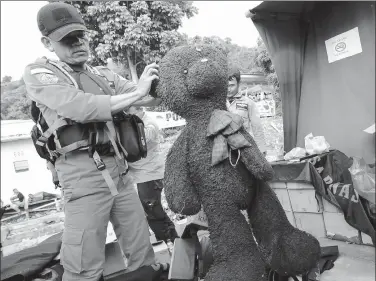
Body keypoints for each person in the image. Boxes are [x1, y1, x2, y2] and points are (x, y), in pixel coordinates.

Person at [23, 3, 163, 280]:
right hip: (82, 178)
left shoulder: (102, 74)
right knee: (84, 263)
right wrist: (137, 93)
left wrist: (156, 80)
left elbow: (147, 96)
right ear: (47, 43)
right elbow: (80, 107)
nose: (77, 44)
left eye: (81, 36)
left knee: (141, 248)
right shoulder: (39, 73)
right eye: (67, 40)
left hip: (120, 173)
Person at [127, 106, 178, 243]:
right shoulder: (135, 122)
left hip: (149, 174)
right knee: (151, 210)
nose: (125, 113)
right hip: (142, 174)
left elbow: (138, 140)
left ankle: (171, 240)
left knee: (153, 210)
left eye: (127, 110)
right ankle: (168, 240)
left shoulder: (149, 124)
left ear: (138, 109)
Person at [227, 69, 267, 154]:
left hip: (243, 148)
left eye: (231, 85)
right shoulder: (218, 102)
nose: (228, 89)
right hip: (223, 150)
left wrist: (262, 149)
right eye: (226, 86)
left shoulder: (248, 103)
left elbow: (257, 127)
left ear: (239, 84)